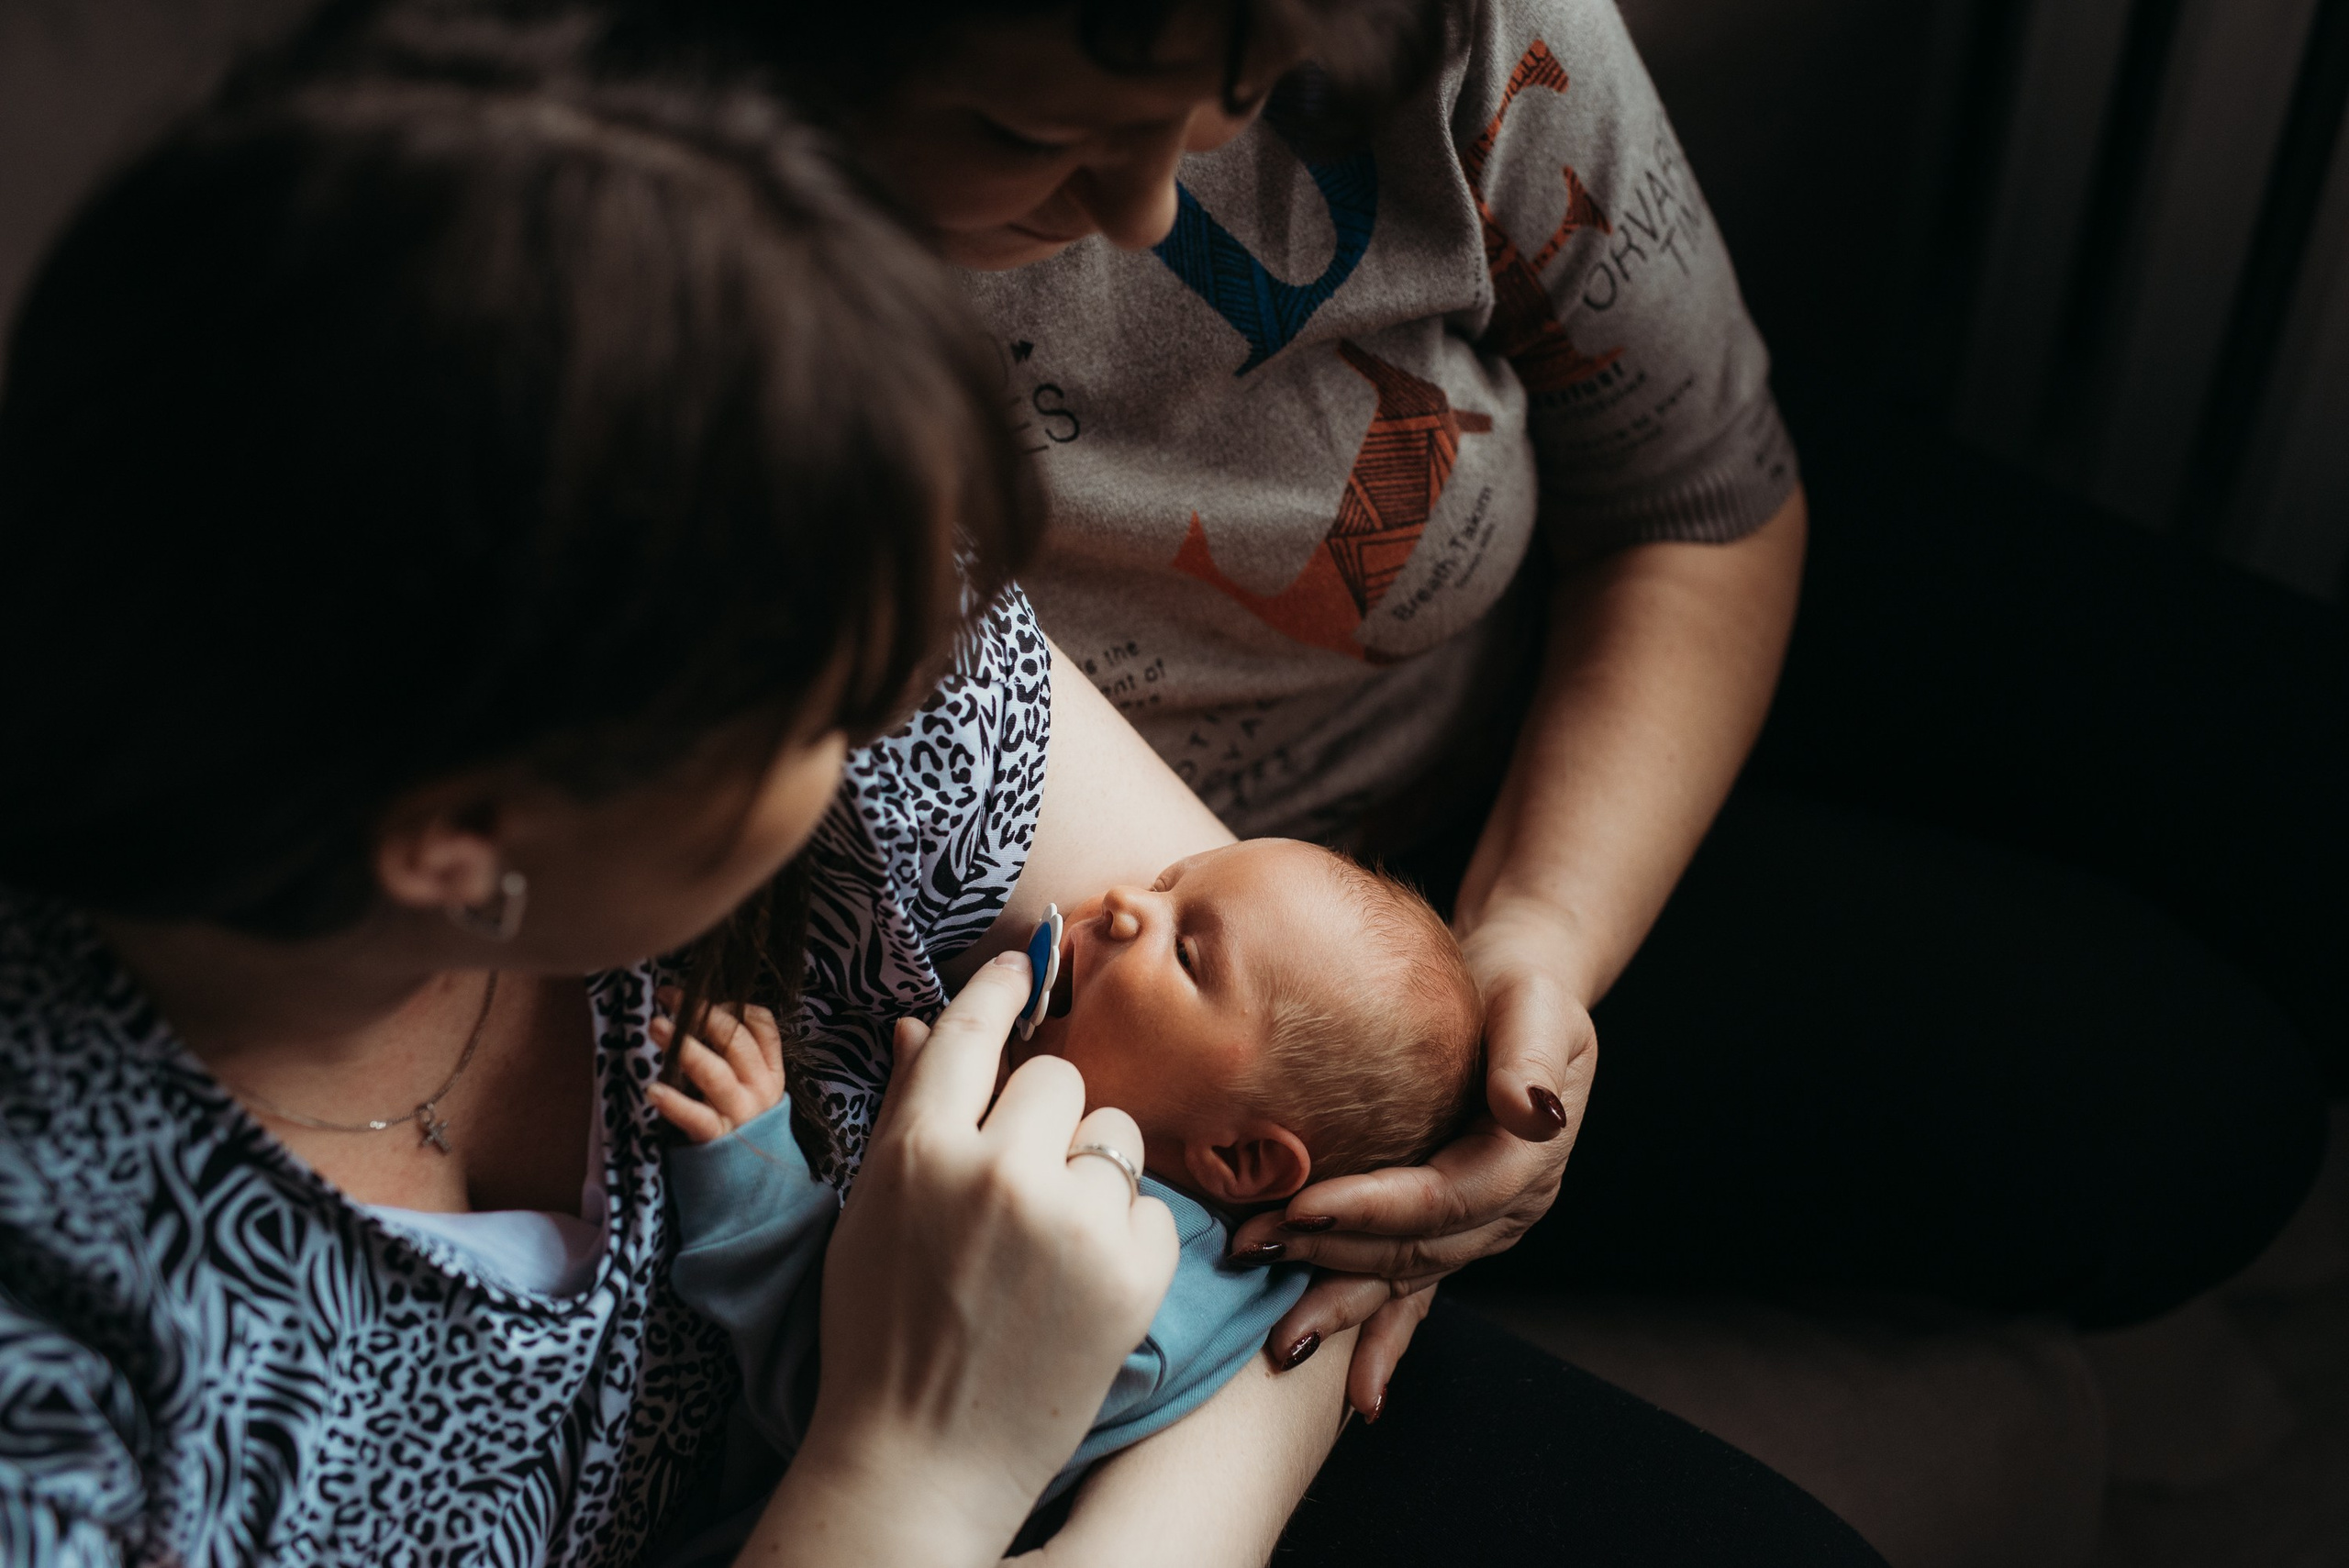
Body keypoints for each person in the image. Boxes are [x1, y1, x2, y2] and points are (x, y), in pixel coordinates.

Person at [596, 0, 2332, 1559]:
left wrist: (1540, 944)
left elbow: (1693, 494)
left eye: (1233, 98)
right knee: (2203, 1123)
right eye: (1030, 139)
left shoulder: (1419, 23)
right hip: (1313, 972)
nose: (1139, 213)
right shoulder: (724, 350)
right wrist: (1417, 1102)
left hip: (1604, 614)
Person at [0, 51, 1212, 1568]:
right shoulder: (55, 1374)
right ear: (457, 838)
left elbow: (1349, 1084)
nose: (901, 717)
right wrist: (925, 1463)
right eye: (828, 718)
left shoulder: (788, 542)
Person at [651, 840, 1479, 1506]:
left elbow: (826, 1408)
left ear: (1240, 1158)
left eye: (1187, 951)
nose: (1125, 902)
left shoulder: (1132, 1328)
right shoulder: (1114, 1120)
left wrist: (752, 1171)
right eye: (1165, 879)